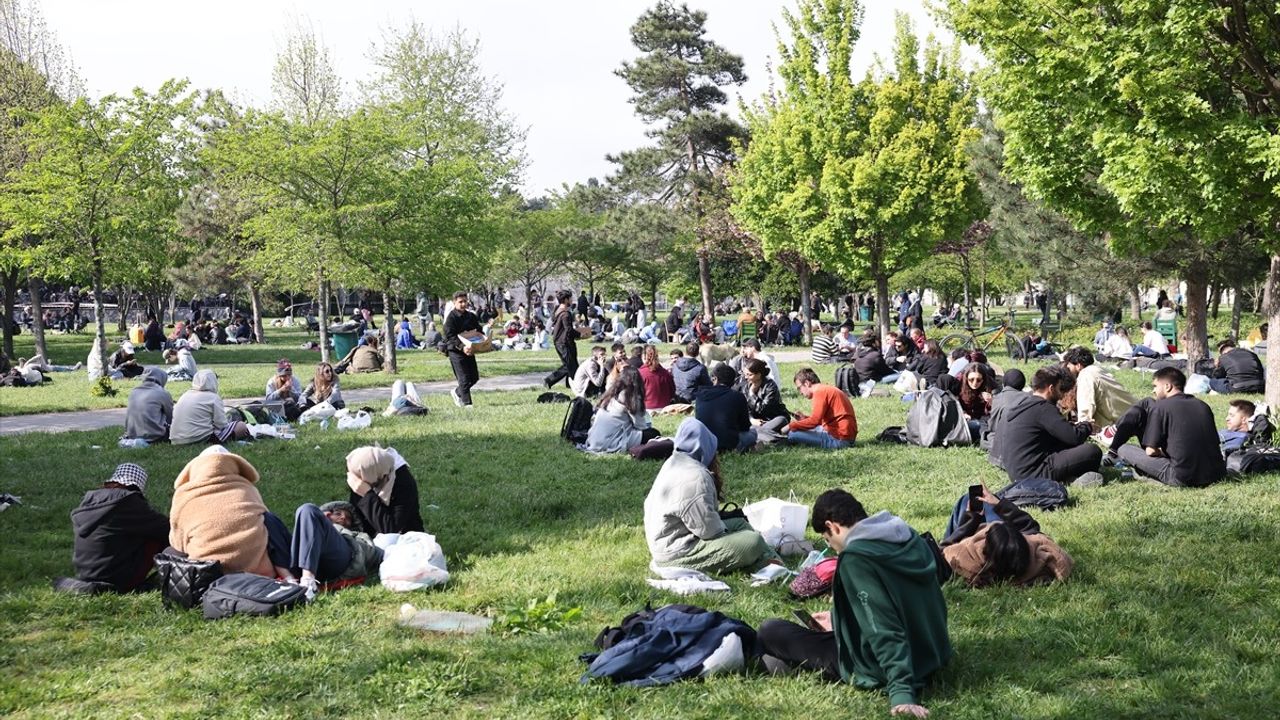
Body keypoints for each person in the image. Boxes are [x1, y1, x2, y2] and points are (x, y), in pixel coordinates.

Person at [757, 489, 951, 717]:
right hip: (932, 651)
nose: (833, 548)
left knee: (770, 630)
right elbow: (902, 601)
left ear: (833, 527)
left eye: (828, 540)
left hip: (886, 666)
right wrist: (841, 620)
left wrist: (902, 693)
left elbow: (883, 628)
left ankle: (778, 662)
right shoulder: (905, 534)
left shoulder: (856, 559)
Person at [643, 418, 776, 574]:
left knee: (739, 523)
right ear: (706, 446)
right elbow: (709, 531)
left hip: (668, 540)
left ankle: (771, 559)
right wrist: (732, 536)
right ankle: (770, 562)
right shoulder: (696, 477)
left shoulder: (673, 461)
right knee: (754, 541)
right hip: (678, 551)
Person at [169, 446, 290, 578]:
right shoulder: (247, 488)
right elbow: (266, 525)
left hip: (207, 574)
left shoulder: (185, 495)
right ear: (234, 465)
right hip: (257, 572)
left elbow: (178, 542)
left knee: (170, 551)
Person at [1108, 368, 1227, 487]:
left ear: (1167, 386)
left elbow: (1151, 452)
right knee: (1147, 402)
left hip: (1181, 477)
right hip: (1216, 473)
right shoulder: (1203, 405)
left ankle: (1116, 449)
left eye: (1155, 386)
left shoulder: (1161, 407)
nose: (1153, 391)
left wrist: (1164, 452)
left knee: (1124, 449)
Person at [62, 463, 170, 593]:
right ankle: (175, 574)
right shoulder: (128, 502)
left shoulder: (89, 501)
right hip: (116, 581)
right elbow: (166, 528)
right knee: (157, 537)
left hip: (85, 575)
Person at [941, 485, 1073, 587]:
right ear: (1023, 544)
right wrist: (999, 505)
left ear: (985, 549)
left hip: (975, 537)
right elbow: (1031, 529)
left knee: (965, 500)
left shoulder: (965, 560)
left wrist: (971, 519)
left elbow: (944, 549)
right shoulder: (1041, 563)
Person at [996, 365, 1102, 484]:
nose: (1062, 395)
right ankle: (1071, 479)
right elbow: (1074, 437)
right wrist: (1087, 426)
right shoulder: (1043, 408)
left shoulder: (1024, 402)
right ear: (1051, 388)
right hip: (1034, 473)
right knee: (1092, 451)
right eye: (1060, 389)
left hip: (1017, 472)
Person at [345, 445, 425, 535]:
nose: (356, 482)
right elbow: (357, 515)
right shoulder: (365, 471)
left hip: (405, 538)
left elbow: (390, 529)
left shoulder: (403, 483)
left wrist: (367, 494)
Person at [585, 366, 660, 454]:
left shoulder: (610, 395)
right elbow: (641, 426)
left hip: (594, 439)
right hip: (611, 442)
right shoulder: (631, 398)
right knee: (653, 433)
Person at [1061, 347, 1136, 429]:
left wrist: (1082, 428)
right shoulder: (1097, 370)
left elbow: (1086, 405)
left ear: (1078, 365)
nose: (1067, 370)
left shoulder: (1085, 375)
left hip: (1129, 420)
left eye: (1069, 367)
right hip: (1131, 414)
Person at [170, 370, 251, 445]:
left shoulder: (185, 395)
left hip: (175, 439)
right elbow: (221, 425)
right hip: (199, 438)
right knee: (241, 426)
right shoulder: (213, 397)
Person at [788, 368, 858, 449]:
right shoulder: (824, 389)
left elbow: (814, 421)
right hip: (846, 436)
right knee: (798, 430)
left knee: (792, 434)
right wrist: (804, 419)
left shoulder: (819, 392)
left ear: (807, 383)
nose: (800, 392)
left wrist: (790, 426)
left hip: (840, 440)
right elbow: (820, 421)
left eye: (799, 388)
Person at [694, 364, 756, 453]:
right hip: (730, 444)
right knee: (753, 433)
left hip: (705, 443)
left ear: (714, 378)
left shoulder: (700, 395)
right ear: (733, 381)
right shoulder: (738, 396)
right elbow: (745, 427)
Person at [443, 291, 482, 407]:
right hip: (455, 351)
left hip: (469, 350)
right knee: (464, 379)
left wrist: (483, 340)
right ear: (454, 303)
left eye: (465, 301)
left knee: (474, 377)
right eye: (460, 302)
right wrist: (462, 347)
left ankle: (457, 392)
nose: (463, 304)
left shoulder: (471, 316)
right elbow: (450, 336)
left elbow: (478, 330)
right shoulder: (451, 318)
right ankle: (467, 404)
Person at [741, 358, 790, 444]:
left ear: (759, 375)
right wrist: (752, 420)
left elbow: (763, 409)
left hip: (772, 419)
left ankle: (756, 436)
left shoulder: (770, 386)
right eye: (745, 374)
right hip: (756, 422)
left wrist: (752, 394)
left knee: (781, 420)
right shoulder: (746, 387)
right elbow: (745, 409)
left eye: (749, 375)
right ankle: (770, 437)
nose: (746, 377)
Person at [123, 367, 173, 443]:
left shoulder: (134, 391)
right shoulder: (162, 393)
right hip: (155, 437)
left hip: (131, 435)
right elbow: (171, 416)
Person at [544, 289, 579, 389]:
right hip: (564, 342)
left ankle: (570, 384)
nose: (572, 300)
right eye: (570, 298)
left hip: (560, 341)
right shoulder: (565, 314)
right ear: (566, 299)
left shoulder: (557, 310)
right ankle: (549, 380)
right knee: (569, 365)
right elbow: (569, 330)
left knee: (572, 365)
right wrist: (580, 334)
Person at [958, 363, 995, 439]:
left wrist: (991, 401)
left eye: (978, 380)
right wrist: (963, 413)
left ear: (983, 380)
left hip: (983, 419)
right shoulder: (959, 387)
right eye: (971, 379)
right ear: (966, 378)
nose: (975, 383)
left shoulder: (988, 387)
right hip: (966, 420)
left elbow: (994, 411)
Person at [638, 345, 676, 409]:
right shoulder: (666, 373)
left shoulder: (639, 373)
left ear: (644, 356)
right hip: (665, 407)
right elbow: (672, 391)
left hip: (647, 408)